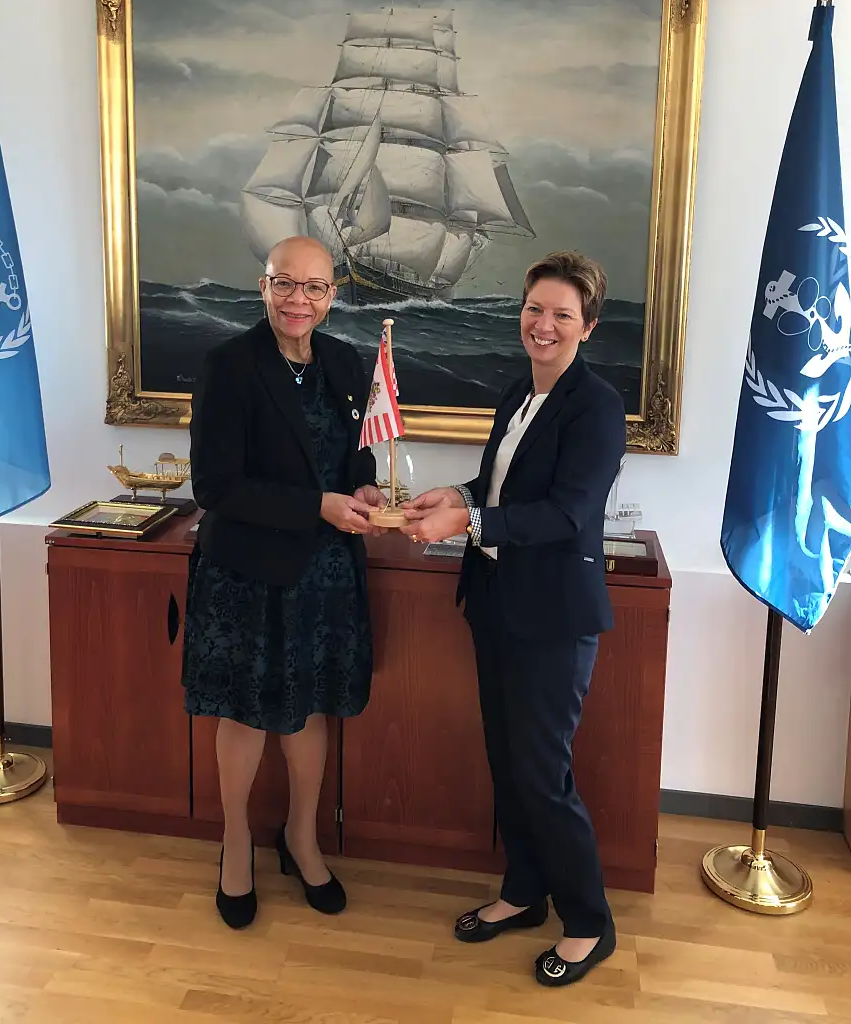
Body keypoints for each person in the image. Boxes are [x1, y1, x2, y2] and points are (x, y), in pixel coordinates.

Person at [401, 250, 625, 988]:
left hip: (555, 619)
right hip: (497, 605)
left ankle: (589, 921)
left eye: (562, 314)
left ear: (587, 326)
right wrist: (454, 497)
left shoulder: (594, 406)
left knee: (542, 772)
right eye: (535, 309)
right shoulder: (516, 394)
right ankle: (526, 892)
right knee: (510, 762)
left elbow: (566, 512)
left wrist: (468, 524)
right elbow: (498, 483)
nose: (544, 324)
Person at [183, 235, 386, 930]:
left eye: (315, 288)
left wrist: (364, 491)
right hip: (249, 571)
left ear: (333, 296)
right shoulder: (228, 365)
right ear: (262, 285)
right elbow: (215, 486)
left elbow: (352, 456)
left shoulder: (346, 361)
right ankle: (234, 842)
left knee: (313, 706)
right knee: (246, 713)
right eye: (286, 284)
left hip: (326, 572)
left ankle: (301, 837)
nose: (299, 299)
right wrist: (317, 507)